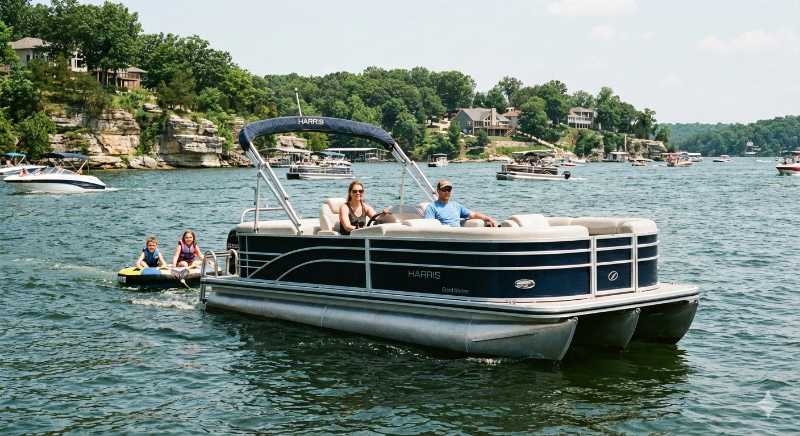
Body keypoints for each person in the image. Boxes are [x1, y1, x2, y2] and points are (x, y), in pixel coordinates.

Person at [424, 179, 497, 227]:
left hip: (459, 235)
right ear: (438, 191)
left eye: (449, 190)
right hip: (444, 236)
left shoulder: (456, 205)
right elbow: (430, 226)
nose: (447, 192)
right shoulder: (432, 207)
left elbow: (473, 214)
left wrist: (488, 219)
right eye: (444, 189)